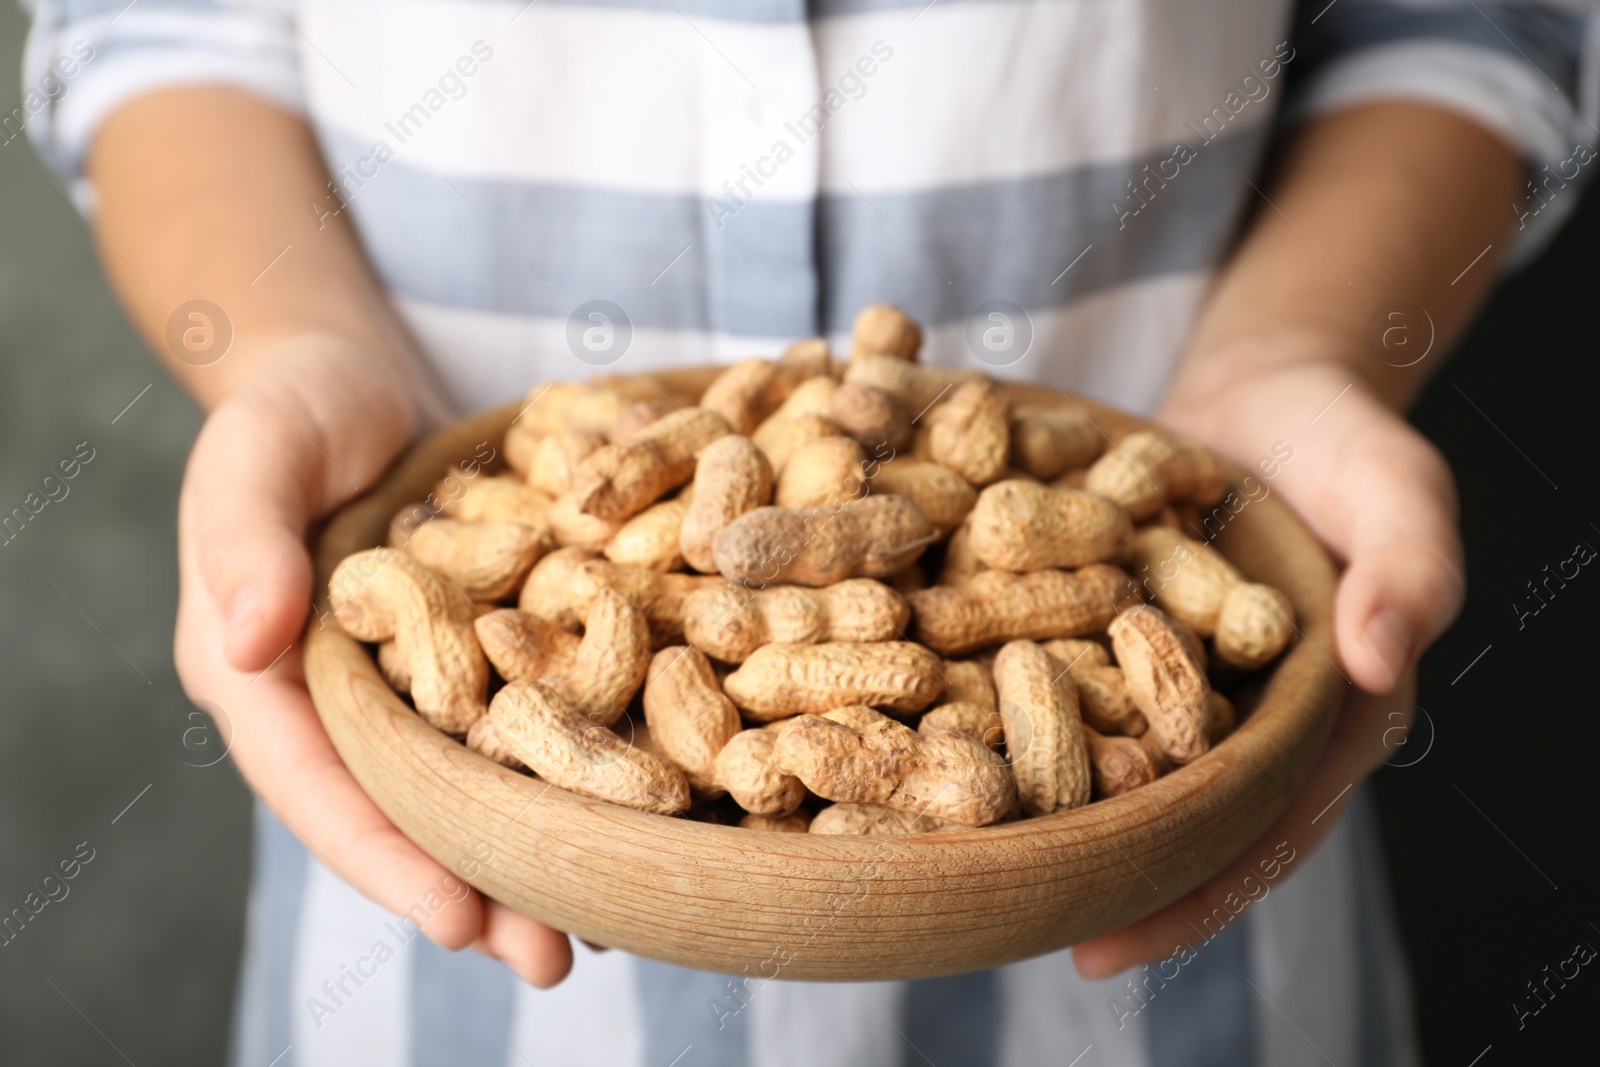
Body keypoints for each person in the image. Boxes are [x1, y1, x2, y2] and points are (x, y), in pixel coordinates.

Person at [22, 0, 1595, 1062]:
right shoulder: (574, 591)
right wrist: (299, 351)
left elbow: (1466, 18)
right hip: (456, 941)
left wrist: (1299, 354)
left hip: (1165, 918)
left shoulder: (1033, 567)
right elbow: (157, 21)